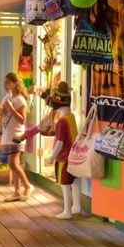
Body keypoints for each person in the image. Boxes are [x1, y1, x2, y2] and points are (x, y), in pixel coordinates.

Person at [44, 82, 81, 219]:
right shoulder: (70, 117)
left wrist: (51, 157)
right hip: (74, 156)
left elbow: (59, 142)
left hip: (64, 158)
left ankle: (67, 210)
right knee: (75, 182)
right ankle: (76, 206)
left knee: (65, 184)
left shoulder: (61, 122)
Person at [0, 72, 33, 202]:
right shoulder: (7, 98)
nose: (6, 85)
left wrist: (11, 107)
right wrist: (0, 114)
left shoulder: (20, 100)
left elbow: (22, 120)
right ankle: (17, 191)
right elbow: (2, 115)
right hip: (7, 134)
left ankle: (28, 186)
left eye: (8, 82)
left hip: (17, 135)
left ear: (15, 83)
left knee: (12, 163)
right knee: (14, 164)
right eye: (5, 82)